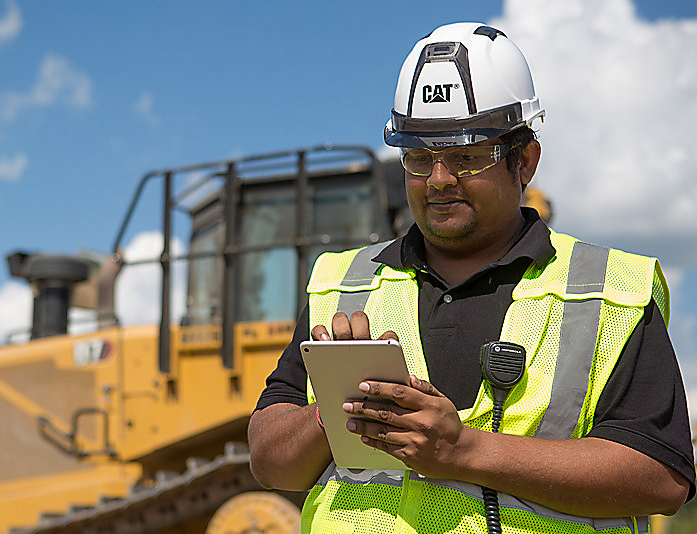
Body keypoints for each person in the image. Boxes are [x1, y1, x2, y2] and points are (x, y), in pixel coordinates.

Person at [248, 22, 695, 533]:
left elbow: (661, 478)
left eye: (466, 156)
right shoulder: (341, 283)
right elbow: (269, 460)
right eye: (419, 158)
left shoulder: (609, 290)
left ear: (524, 161)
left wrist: (463, 450)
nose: (439, 179)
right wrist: (333, 411)